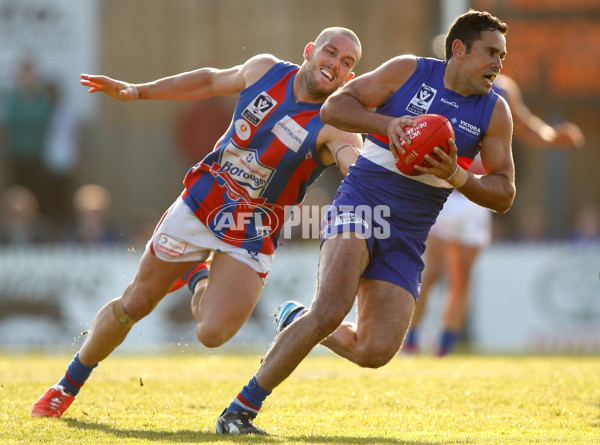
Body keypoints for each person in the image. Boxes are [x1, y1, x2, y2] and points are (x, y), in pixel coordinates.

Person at [30, 27, 363, 418]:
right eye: (330, 52)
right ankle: (64, 387)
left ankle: (196, 276)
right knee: (135, 302)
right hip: (200, 205)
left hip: (251, 232)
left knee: (212, 333)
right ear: (310, 51)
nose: (335, 64)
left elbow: (352, 161)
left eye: (346, 63)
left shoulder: (335, 122)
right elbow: (208, 80)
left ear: (349, 78)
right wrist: (138, 91)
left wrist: (374, 179)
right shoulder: (265, 70)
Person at [215, 9, 515, 435]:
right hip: (363, 207)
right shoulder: (408, 71)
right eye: (490, 53)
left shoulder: (494, 111)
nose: (498, 64)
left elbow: (504, 193)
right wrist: (388, 123)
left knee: (373, 352)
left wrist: (456, 174)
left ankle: (295, 315)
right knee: (331, 311)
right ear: (459, 50)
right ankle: (239, 411)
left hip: (410, 233)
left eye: (502, 56)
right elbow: (336, 106)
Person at [402, 73, 585, 356]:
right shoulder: (442, 81)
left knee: (462, 276)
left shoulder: (503, 89)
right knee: (431, 272)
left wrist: (552, 136)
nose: (494, 60)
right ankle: (410, 340)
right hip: (442, 192)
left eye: (498, 53)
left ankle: (444, 349)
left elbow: (523, 125)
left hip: (476, 194)